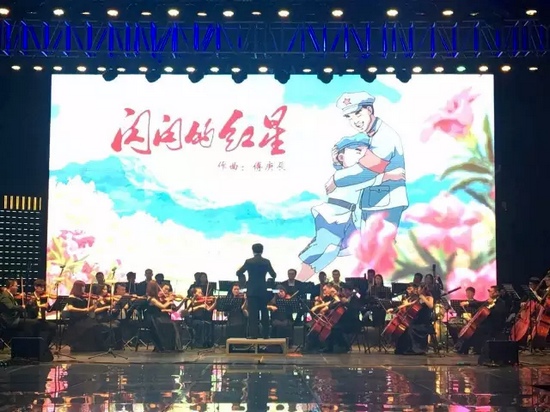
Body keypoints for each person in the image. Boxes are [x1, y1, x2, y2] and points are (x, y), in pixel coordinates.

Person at [297, 138, 405, 280]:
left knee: (340, 249)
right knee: (326, 249)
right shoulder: (345, 176)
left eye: (366, 152)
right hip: (332, 217)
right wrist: (389, 175)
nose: (362, 155)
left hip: (349, 218)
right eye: (358, 151)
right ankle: (299, 280)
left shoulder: (356, 174)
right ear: (341, 157)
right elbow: (369, 180)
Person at [326, 91, 409, 232]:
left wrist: (336, 179)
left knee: (378, 245)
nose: (355, 121)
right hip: (376, 202)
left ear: (369, 110)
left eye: (358, 114)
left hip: (385, 203)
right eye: (349, 117)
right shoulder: (371, 135)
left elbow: (367, 170)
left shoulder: (384, 136)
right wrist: (338, 164)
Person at [236, 243, 276, 338]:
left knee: (253, 314)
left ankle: (254, 335)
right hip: (262, 290)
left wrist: (242, 279)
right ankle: (266, 334)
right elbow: (273, 274)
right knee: (264, 312)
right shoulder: (266, 262)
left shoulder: (249, 262)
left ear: (252, 250)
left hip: (252, 290)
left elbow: (239, 272)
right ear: (262, 251)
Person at [457, 285, 508, 355]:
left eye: (491, 291)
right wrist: (468, 303)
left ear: (496, 293)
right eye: (489, 291)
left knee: (476, 329)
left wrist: (492, 306)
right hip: (485, 323)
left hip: (493, 324)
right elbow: (478, 303)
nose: (489, 292)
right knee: (472, 328)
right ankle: (463, 349)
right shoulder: (488, 301)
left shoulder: (501, 303)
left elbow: (498, 314)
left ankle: (471, 349)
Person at [387, 283, 434, 355]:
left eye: (419, 288)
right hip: (417, 321)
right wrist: (394, 309)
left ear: (423, 289)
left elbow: (430, 306)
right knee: (404, 328)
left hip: (424, 322)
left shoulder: (429, 297)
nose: (417, 290)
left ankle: (415, 349)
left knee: (409, 329)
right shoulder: (418, 299)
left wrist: (423, 298)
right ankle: (403, 349)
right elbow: (408, 304)